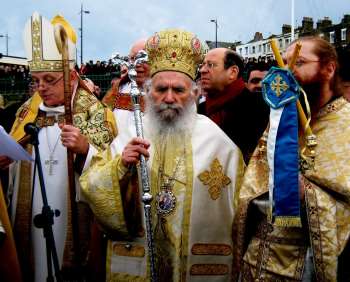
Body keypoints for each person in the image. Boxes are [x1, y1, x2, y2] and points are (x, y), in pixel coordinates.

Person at [80, 29, 244, 281]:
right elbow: (92, 185)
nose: (169, 98)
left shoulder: (219, 144)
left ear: (194, 93)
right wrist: (120, 166)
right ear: (148, 91)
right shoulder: (132, 130)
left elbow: (240, 214)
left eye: (178, 89)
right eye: (161, 89)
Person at [0, 12, 116, 281]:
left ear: (72, 76)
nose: (41, 88)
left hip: (74, 219)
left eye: (50, 80)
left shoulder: (96, 114)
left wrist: (86, 151)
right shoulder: (26, 112)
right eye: (36, 80)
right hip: (28, 219)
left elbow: (113, 171)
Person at [232, 36, 350, 281]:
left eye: (299, 62)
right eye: (284, 62)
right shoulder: (280, 121)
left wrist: (307, 193)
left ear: (328, 68)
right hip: (258, 259)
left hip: (306, 263)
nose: (287, 71)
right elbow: (253, 184)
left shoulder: (345, 124)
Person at [200, 48, 269, 163]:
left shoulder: (260, 108)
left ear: (232, 72)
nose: (202, 70)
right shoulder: (199, 110)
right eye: (202, 65)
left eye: (211, 65)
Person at [102, 38, 150, 111]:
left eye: (142, 58)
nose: (136, 64)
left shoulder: (165, 91)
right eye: (133, 58)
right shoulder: (117, 89)